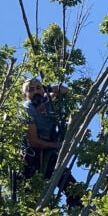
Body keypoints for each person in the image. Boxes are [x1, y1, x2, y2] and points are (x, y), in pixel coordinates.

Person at [20, 78, 81, 208]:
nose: (36, 92)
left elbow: (64, 90)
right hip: (32, 160)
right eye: (31, 90)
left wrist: (47, 89)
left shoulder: (48, 102)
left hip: (50, 155)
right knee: (31, 204)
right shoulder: (27, 110)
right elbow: (33, 141)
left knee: (73, 189)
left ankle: (77, 215)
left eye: (38, 88)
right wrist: (59, 146)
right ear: (25, 96)